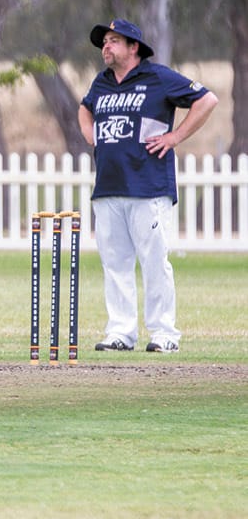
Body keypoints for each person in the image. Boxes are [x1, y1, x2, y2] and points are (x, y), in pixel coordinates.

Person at [78, 18, 217, 353]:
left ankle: (165, 334)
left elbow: (206, 100)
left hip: (149, 186)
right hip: (108, 186)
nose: (106, 47)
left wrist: (175, 137)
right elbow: (85, 108)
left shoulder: (158, 77)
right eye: (104, 42)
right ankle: (121, 332)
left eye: (113, 41)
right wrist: (91, 136)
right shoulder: (102, 82)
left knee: (154, 262)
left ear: (133, 47)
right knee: (115, 264)